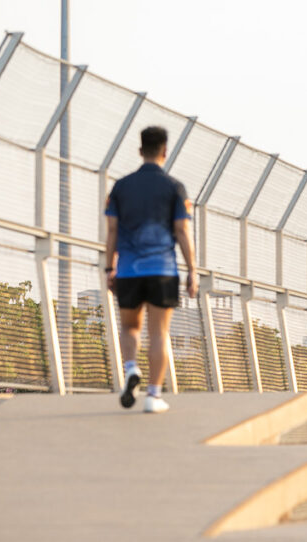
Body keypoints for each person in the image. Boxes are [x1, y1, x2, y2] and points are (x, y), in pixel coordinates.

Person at [104, 126, 197, 414]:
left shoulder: (121, 187)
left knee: (130, 327)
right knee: (159, 333)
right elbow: (182, 230)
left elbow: (111, 230)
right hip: (163, 270)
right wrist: (193, 270)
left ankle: (132, 367)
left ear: (139, 150)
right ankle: (153, 396)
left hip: (129, 270)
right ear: (165, 151)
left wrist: (110, 267)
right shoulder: (174, 187)